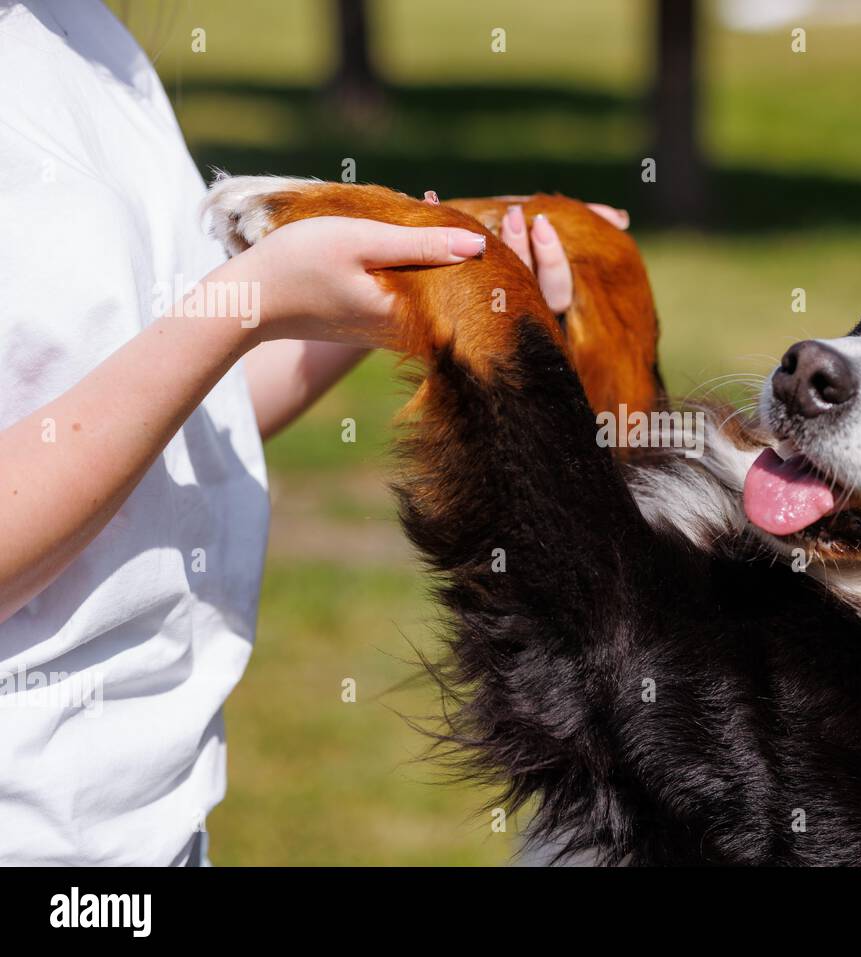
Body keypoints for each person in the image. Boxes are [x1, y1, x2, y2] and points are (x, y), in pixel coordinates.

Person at [0, 0, 625, 865]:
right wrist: (247, 304)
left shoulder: (87, 40)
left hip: (147, 824)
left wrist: (435, 267)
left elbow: (182, 417)